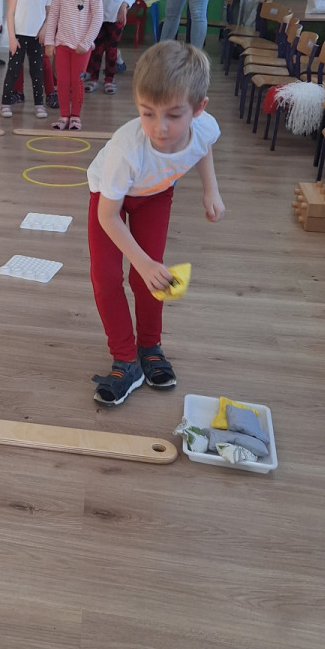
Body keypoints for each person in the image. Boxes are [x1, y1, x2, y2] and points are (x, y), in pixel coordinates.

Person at [87, 41, 225, 407]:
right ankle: (125, 360)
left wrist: (210, 190)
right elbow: (108, 216)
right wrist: (142, 261)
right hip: (109, 199)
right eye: (147, 113)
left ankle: (149, 346)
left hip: (156, 194)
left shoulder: (205, 126)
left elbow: (204, 145)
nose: (159, 128)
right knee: (106, 277)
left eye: (173, 115)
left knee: (149, 277)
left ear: (198, 109)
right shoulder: (126, 148)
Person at [42, 0, 103, 132]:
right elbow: (53, 16)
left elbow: (98, 17)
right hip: (62, 44)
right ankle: (63, 116)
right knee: (62, 81)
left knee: (77, 81)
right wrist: (50, 42)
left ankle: (75, 116)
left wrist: (86, 42)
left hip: (81, 48)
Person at [0, 0, 54, 119]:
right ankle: (5, 103)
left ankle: (39, 104)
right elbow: (10, 13)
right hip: (18, 37)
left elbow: (50, 14)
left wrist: (44, 30)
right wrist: (11, 38)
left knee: (37, 71)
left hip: (36, 38)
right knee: (13, 71)